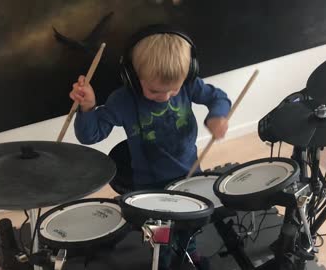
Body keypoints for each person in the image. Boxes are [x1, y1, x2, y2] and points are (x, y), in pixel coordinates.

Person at [69, 24, 232, 269]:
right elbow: (91, 135)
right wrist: (88, 108)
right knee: (160, 236)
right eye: (155, 91)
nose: (166, 96)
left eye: (173, 89)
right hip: (149, 184)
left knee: (190, 224)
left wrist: (218, 116)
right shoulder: (123, 100)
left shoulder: (188, 85)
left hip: (189, 174)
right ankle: (163, 262)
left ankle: (188, 252)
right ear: (134, 78)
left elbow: (218, 97)